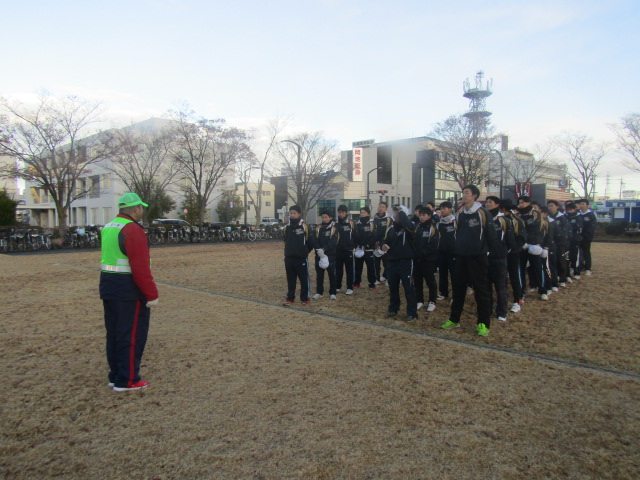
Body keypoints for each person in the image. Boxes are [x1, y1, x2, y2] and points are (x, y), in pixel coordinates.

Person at [100, 193, 158, 392]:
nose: (142, 211)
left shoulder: (109, 227)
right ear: (135, 209)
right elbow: (139, 266)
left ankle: (115, 375)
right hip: (129, 290)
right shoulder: (133, 230)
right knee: (131, 335)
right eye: (141, 207)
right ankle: (128, 379)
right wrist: (151, 294)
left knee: (115, 334)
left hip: (109, 286)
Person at [441, 185, 498, 336]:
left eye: (467, 193)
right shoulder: (459, 214)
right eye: (463, 192)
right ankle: (454, 319)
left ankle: (483, 323)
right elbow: (457, 235)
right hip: (460, 257)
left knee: (481, 291)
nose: (464, 195)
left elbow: (491, 236)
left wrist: (490, 256)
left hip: (478, 257)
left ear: (474, 195)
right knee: (458, 290)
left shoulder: (482, 213)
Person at [381, 204, 418, 321]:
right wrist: (383, 245)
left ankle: (412, 313)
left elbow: (411, 227)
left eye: (398, 213)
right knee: (393, 287)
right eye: (395, 212)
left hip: (405, 262)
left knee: (408, 288)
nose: (395, 215)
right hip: (392, 262)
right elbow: (384, 240)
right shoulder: (390, 228)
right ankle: (393, 308)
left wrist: (402, 213)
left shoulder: (409, 227)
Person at [485, 196, 514, 322]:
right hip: (485, 258)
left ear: (497, 204)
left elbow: (510, 240)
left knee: (500, 287)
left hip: (499, 258)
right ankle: (487, 309)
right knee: (486, 287)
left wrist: (502, 251)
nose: (487, 204)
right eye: (486, 202)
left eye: (490, 202)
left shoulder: (504, 220)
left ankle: (502, 311)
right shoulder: (483, 218)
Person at [518, 196, 548, 300]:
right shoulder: (519, 216)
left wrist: (532, 243)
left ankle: (542, 290)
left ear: (528, 203)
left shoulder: (536, 215)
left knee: (538, 268)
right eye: (519, 203)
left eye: (522, 203)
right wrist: (522, 242)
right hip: (522, 247)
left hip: (534, 246)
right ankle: (521, 291)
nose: (520, 205)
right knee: (521, 270)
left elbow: (536, 230)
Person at [283, 205, 312, 306]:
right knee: (291, 279)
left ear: (299, 214)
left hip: (301, 258)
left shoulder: (304, 226)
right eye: (291, 213)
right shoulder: (287, 226)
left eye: (294, 213)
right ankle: (290, 298)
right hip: (289, 258)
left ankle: (305, 298)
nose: (292, 215)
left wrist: (304, 251)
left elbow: (310, 241)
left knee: (303, 279)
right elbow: (285, 240)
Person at [500, 200, 527, 313]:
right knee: (502, 278)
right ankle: (503, 300)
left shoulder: (516, 221)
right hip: (500, 254)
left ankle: (518, 299)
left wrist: (512, 249)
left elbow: (521, 238)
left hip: (513, 254)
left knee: (515, 276)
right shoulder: (496, 220)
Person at [413, 206, 439, 312]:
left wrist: (422, 254)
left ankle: (432, 301)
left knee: (430, 281)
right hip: (416, 260)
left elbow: (433, 245)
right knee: (417, 281)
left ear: (429, 216)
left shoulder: (433, 229)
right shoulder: (417, 227)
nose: (421, 217)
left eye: (424, 215)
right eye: (420, 215)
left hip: (428, 260)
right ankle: (419, 300)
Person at [312, 210, 338, 300]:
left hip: (330, 255)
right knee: (319, 275)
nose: (324, 219)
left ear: (330, 217)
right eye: (322, 217)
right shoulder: (317, 228)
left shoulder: (334, 228)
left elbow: (334, 241)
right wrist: (319, 250)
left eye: (326, 217)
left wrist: (324, 249)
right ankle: (319, 292)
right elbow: (314, 239)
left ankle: (333, 292)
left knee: (332, 275)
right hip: (319, 255)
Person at [547, 200, 571, 288]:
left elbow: (564, 231)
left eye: (552, 205)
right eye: (549, 206)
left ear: (557, 207)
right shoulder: (548, 217)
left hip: (561, 243)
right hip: (551, 243)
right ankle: (555, 277)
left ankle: (563, 278)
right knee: (552, 261)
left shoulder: (562, 217)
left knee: (561, 260)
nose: (550, 208)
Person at [353, 206, 377, 290]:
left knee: (370, 268)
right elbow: (354, 236)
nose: (362, 214)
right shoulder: (357, 224)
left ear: (368, 214)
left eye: (364, 213)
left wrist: (367, 245)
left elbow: (374, 236)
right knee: (358, 267)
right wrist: (357, 245)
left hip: (369, 249)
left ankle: (372, 283)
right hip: (359, 249)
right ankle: (356, 282)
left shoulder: (371, 223)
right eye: (361, 213)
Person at [436, 201, 456, 301]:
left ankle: (455, 294)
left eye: (444, 208)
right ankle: (443, 292)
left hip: (453, 252)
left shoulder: (455, 221)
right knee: (442, 273)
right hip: (441, 251)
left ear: (450, 209)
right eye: (441, 208)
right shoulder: (439, 222)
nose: (442, 210)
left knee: (454, 274)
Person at [335, 204, 355, 295]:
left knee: (349, 270)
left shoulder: (351, 223)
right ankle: (338, 286)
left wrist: (352, 246)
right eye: (339, 212)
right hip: (338, 251)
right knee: (338, 270)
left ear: (346, 213)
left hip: (348, 251)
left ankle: (350, 287)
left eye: (343, 212)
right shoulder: (335, 223)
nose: (341, 214)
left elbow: (356, 235)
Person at [373, 202, 392, 283]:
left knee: (386, 263)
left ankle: (387, 278)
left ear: (386, 208)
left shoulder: (388, 219)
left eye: (383, 207)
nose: (381, 208)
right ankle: (377, 279)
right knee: (376, 264)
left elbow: (390, 232)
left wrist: (385, 243)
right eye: (380, 206)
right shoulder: (375, 218)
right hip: (376, 244)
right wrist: (375, 241)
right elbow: (373, 231)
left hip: (385, 244)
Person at [565, 201, 584, 281]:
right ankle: (567, 271)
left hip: (575, 238)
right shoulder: (565, 216)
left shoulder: (578, 216)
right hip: (567, 239)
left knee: (575, 255)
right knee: (566, 256)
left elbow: (578, 227)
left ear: (575, 209)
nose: (570, 211)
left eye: (571, 210)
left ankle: (576, 271)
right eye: (568, 210)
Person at [578, 199, 597, 275]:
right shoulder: (578, 214)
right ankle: (579, 266)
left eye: (583, 204)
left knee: (586, 252)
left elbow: (592, 227)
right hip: (577, 237)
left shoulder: (591, 215)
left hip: (586, 238)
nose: (581, 205)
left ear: (587, 205)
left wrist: (585, 235)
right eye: (580, 204)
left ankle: (588, 268)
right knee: (578, 253)